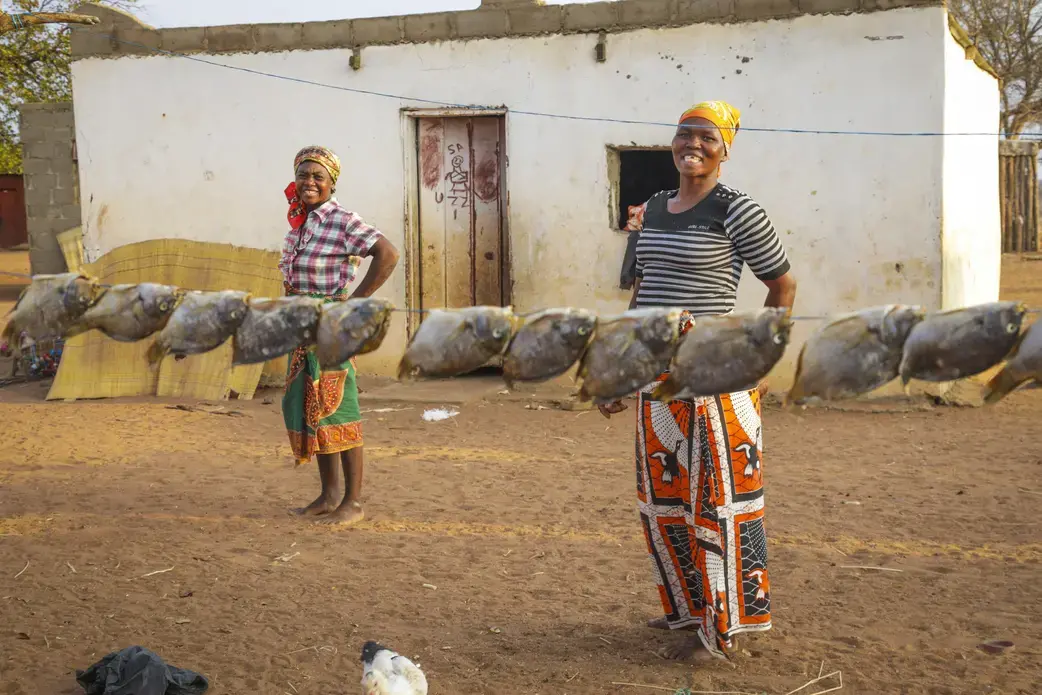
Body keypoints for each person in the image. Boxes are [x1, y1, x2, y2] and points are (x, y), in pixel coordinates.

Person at [599, 102, 797, 661]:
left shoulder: (738, 211)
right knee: (664, 499)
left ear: (725, 148)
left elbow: (782, 286)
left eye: (707, 136)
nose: (693, 144)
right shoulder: (654, 208)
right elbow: (643, 293)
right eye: (684, 134)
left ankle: (723, 627)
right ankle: (687, 611)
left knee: (719, 503)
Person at [278, 145, 400, 527]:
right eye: (304, 175)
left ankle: (354, 502)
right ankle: (329, 496)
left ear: (332, 183)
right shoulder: (300, 225)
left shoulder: (342, 220)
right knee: (313, 409)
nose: (309, 182)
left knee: (338, 408)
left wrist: (351, 305)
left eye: (318, 177)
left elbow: (388, 254)